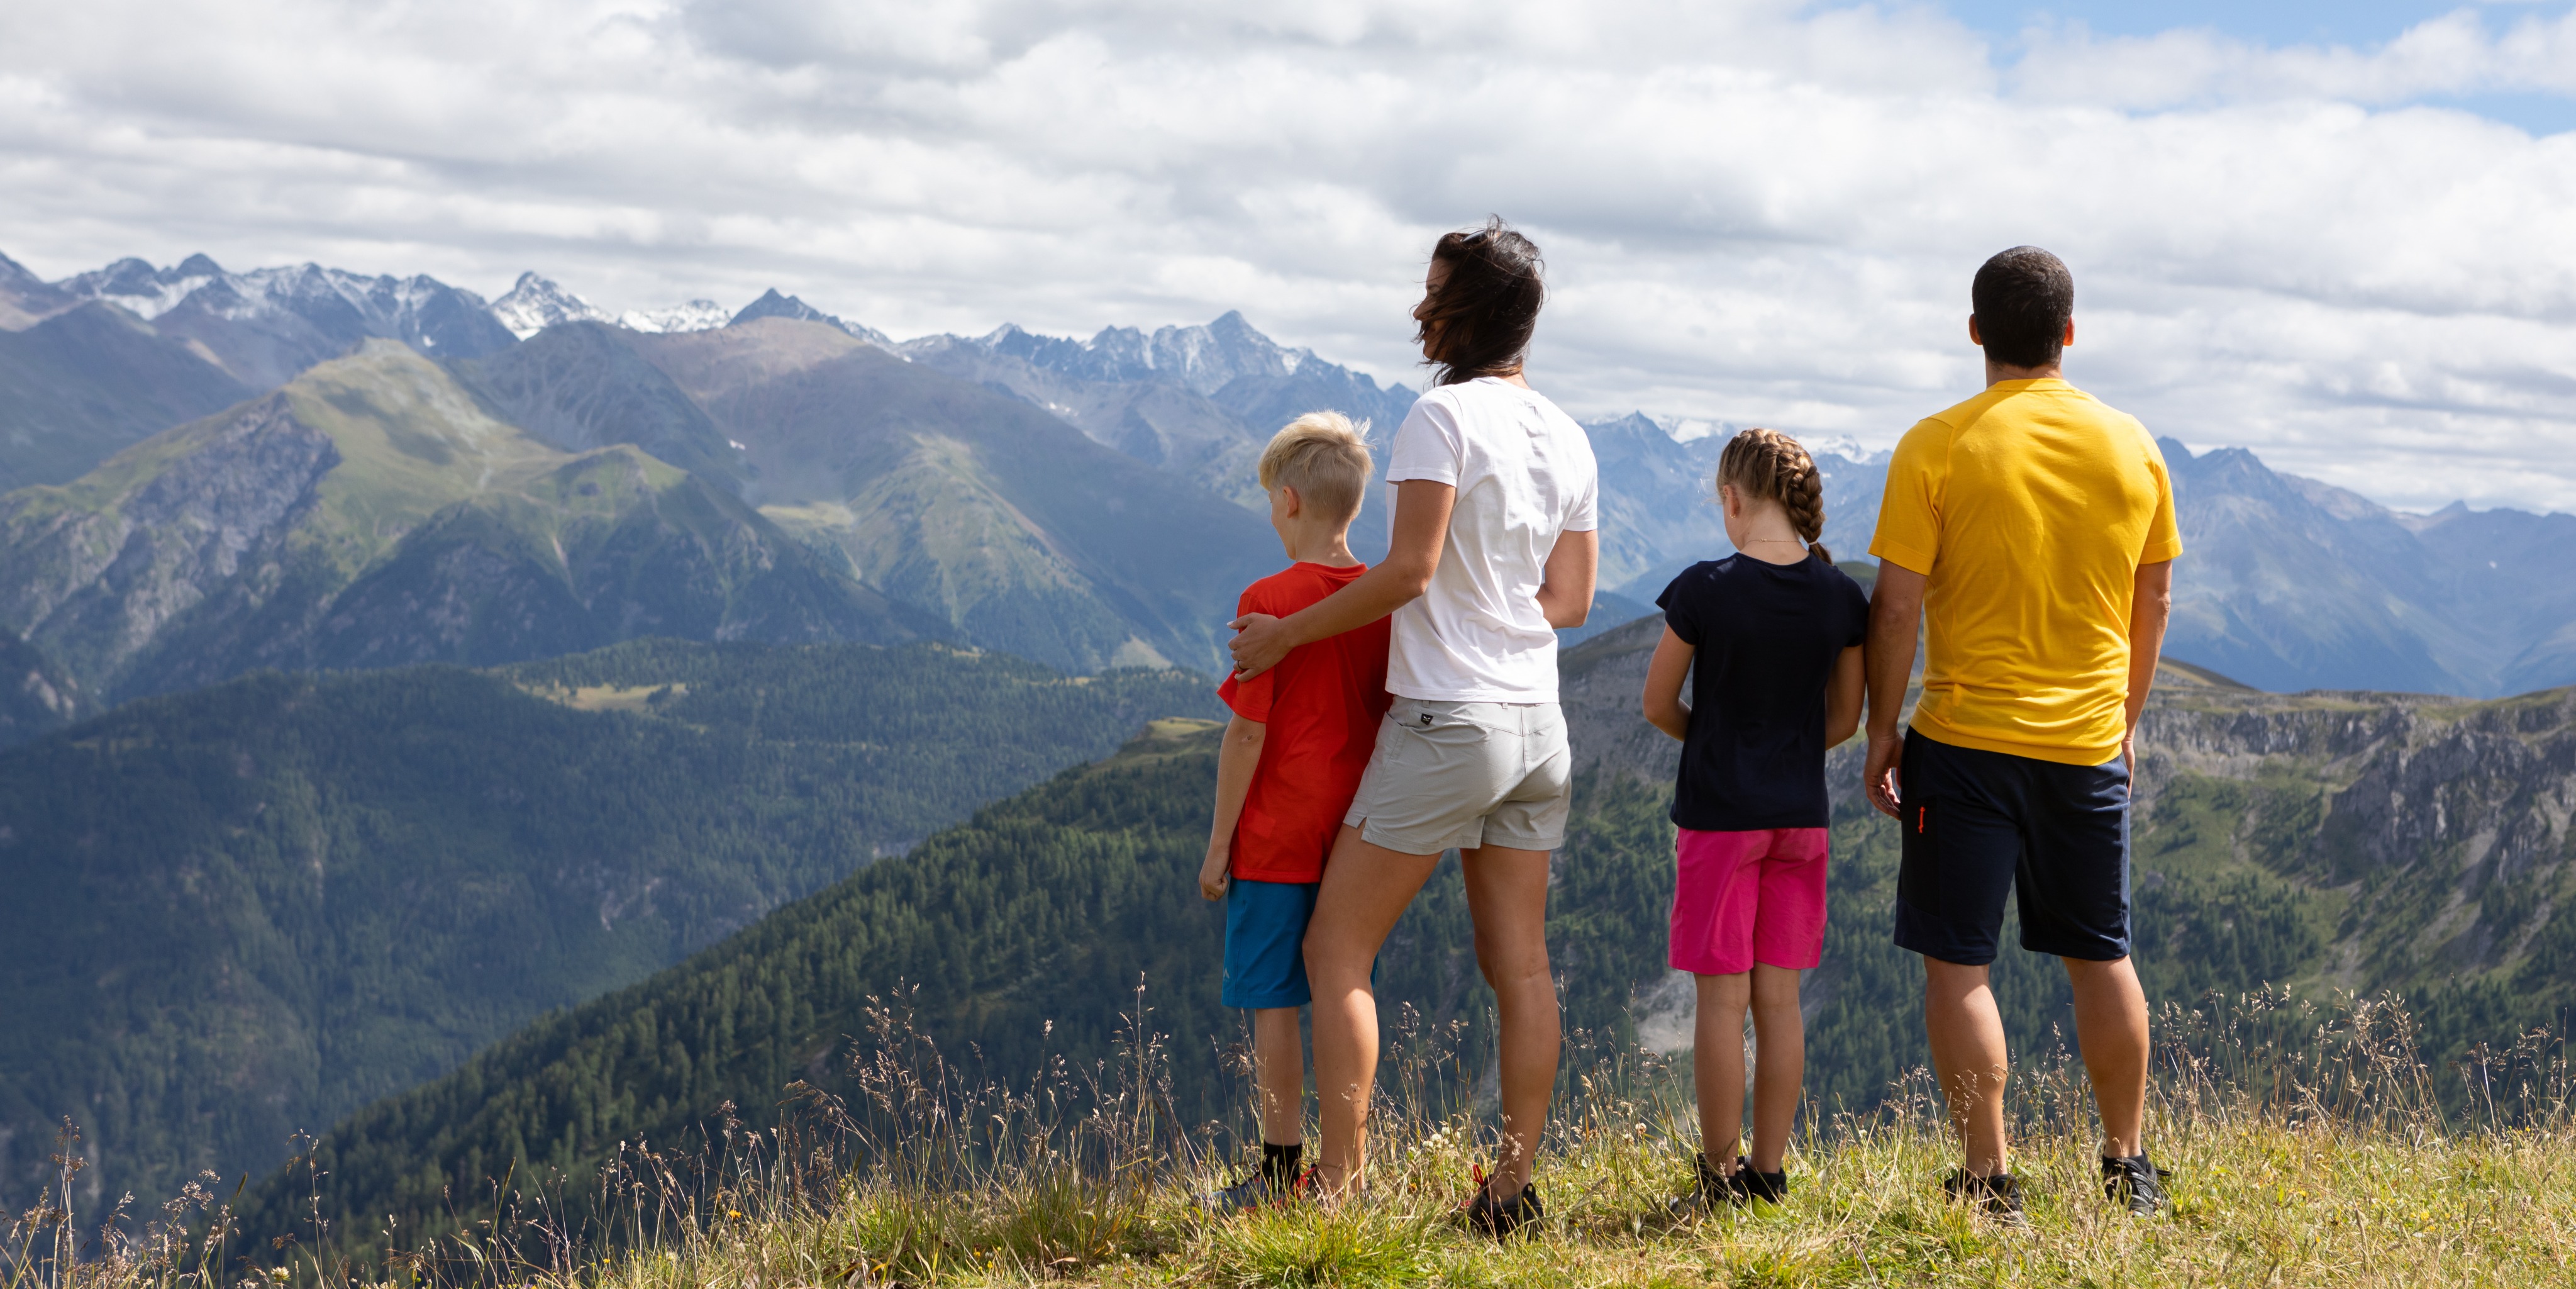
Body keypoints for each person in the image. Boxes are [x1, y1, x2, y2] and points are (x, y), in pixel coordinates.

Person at [1226, 217, 1598, 1239]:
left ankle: (1338, 1187)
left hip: (1448, 719)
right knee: (1521, 964)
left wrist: (1285, 636)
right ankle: (1509, 1191)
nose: (1419, 308)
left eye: (1433, 293)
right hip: (1536, 722)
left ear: (1466, 311)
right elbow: (1571, 598)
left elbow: (1407, 571)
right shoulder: (1567, 434)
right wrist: (1500, 613)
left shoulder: (1440, 418)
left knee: (1333, 948)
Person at [1862, 246, 2181, 1223]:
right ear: (2069, 333)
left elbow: (1897, 607)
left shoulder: (1937, 444)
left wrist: (1882, 732)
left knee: (1960, 964)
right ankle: (2127, 1164)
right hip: (2084, 746)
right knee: (2102, 955)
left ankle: (1989, 1177)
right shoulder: (2133, 445)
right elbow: (2154, 599)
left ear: (1975, 333)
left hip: (1963, 743)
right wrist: (2123, 722)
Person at [1639, 428, 1867, 1213]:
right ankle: (1769, 1175)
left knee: (1721, 1002)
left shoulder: (1704, 588)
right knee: (1780, 1000)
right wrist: (1787, 752)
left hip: (1719, 819)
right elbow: (1845, 719)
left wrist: (1713, 741)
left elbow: (1656, 703)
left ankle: (1719, 1173)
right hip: (1800, 819)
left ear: (1731, 499)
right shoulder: (1840, 597)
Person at [1197, 411, 1392, 1210]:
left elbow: (1247, 733)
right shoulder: (1381, 598)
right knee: (1345, 984)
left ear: (1288, 502)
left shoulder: (1268, 599)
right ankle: (1349, 1168)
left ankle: (1278, 1175)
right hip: (1357, 831)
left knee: (1273, 1004)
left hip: (1276, 832)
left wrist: (1219, 846)